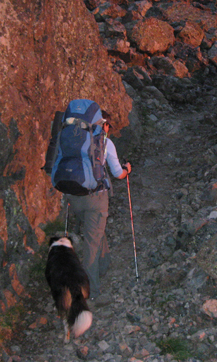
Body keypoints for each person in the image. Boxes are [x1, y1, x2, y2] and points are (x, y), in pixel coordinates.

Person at [67, 111, 131, 300]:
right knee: (91, 243)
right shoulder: (105, 143)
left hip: (75, 196)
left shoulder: (75, 139)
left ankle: (104, 264)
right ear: (104, 125)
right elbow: (118, 173)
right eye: (108, 126)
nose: (108, 130)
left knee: (94, 230)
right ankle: (92, 290)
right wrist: (128, 170)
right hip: (96, 198)